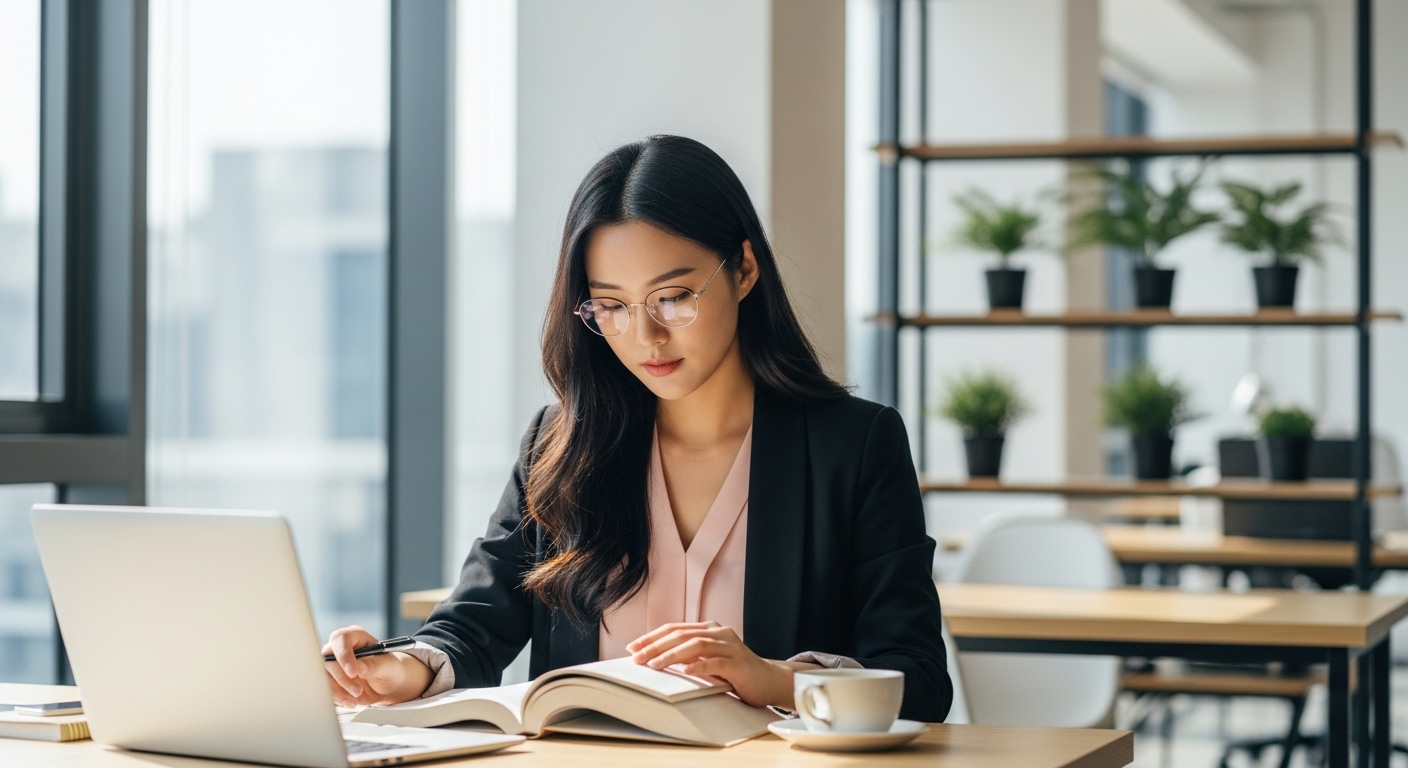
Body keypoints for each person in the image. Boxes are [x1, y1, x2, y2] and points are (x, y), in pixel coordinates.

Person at [323, 135, 952, 722]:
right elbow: (473, 627)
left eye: (674, 296)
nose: (646, 336)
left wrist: (775, 679)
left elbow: (918, 681)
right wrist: (399, 668)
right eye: (613, 306)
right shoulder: (562, 445)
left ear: (744, 270)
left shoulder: (853, 447)